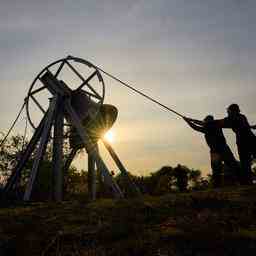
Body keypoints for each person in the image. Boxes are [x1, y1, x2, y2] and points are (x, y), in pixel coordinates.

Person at [184, 115, 240, 187]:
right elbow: (201, 123)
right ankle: (242, 179)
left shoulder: (207, 127)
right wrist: (191, 120)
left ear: (208, 121)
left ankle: (217, 184)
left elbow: (196, 127)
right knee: (232, 165)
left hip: (216, 150)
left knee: (217, 168)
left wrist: (188, 121)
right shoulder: (216, 124)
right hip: (223, 148)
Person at [213, 104, 256, 185]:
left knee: (245, 162)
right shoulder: (242, 116)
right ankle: (247, 180)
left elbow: (219, 122)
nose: (227, 112)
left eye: (228, 111)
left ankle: (247, 181)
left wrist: (207, 123)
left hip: (244, 141)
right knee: (245, 162)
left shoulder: (233, 118)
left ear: (232, 111)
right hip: (250, 139)